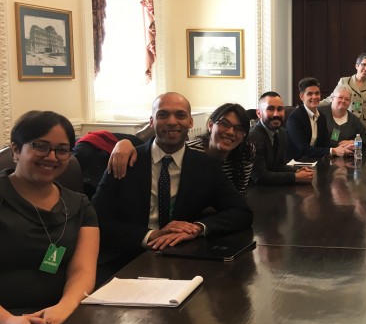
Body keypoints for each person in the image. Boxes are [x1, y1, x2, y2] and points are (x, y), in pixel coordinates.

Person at [92, 92, 253, 277]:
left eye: (180, 115)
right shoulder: (125, 162)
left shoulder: (206, 166)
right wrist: (151, 235)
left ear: (190, 122)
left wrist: (198, 228)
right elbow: (96, 220)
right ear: (152, 121)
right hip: (125, 258)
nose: (171, 121)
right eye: (163, 115)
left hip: (182, 259)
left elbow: (242, 213)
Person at [0, 111, 99, 324]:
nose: (52, 157)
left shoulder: (79, 204)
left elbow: (82, 270)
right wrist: (7, 323)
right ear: (16, 150)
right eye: (40, 146)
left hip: (58, 315)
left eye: (62, 149)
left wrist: (62, 310)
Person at [108, 103, 256, 195]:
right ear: (210, 125)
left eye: (238, 128)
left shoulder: (246, 151)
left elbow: (239, 195)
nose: (230, 132)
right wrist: (123, 142)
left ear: (244, 134)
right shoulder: (188, 152)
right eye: (224, 124)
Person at [248, 91, 314, 185]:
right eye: (270, 109)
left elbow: (278, 166)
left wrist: (297, 170)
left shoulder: (282, 132)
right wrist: (296, 177)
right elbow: (259, 177)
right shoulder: (253, 137)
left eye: (280, 109)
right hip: (256, 194)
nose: (276, 114)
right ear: (259, 113)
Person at [286, 77, 354, 160]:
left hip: (315, 160)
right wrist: (333, 151)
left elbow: (324, 145)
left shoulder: (321, 117)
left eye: (317, 93)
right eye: (310, 94)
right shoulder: (295, 117)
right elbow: (303, 149)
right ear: (302, 97)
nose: (314, 97)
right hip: (297, 162)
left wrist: (341, 147)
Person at [329, 53, 366, 145]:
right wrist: (316, 104)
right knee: (342, 146)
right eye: (363, 64)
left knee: (362, 151)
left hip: (364, 126)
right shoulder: (344, 81)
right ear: (357, 66)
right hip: (346, 123)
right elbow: (332, 98)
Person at [318, 84, 366, 148]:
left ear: (350, 102)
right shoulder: (319, 113)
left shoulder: (354, 119)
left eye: (347, 99)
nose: (343, 101)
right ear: (332, 98)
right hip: (322, 156)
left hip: (347, 156)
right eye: (340, 97)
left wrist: (353, 142)